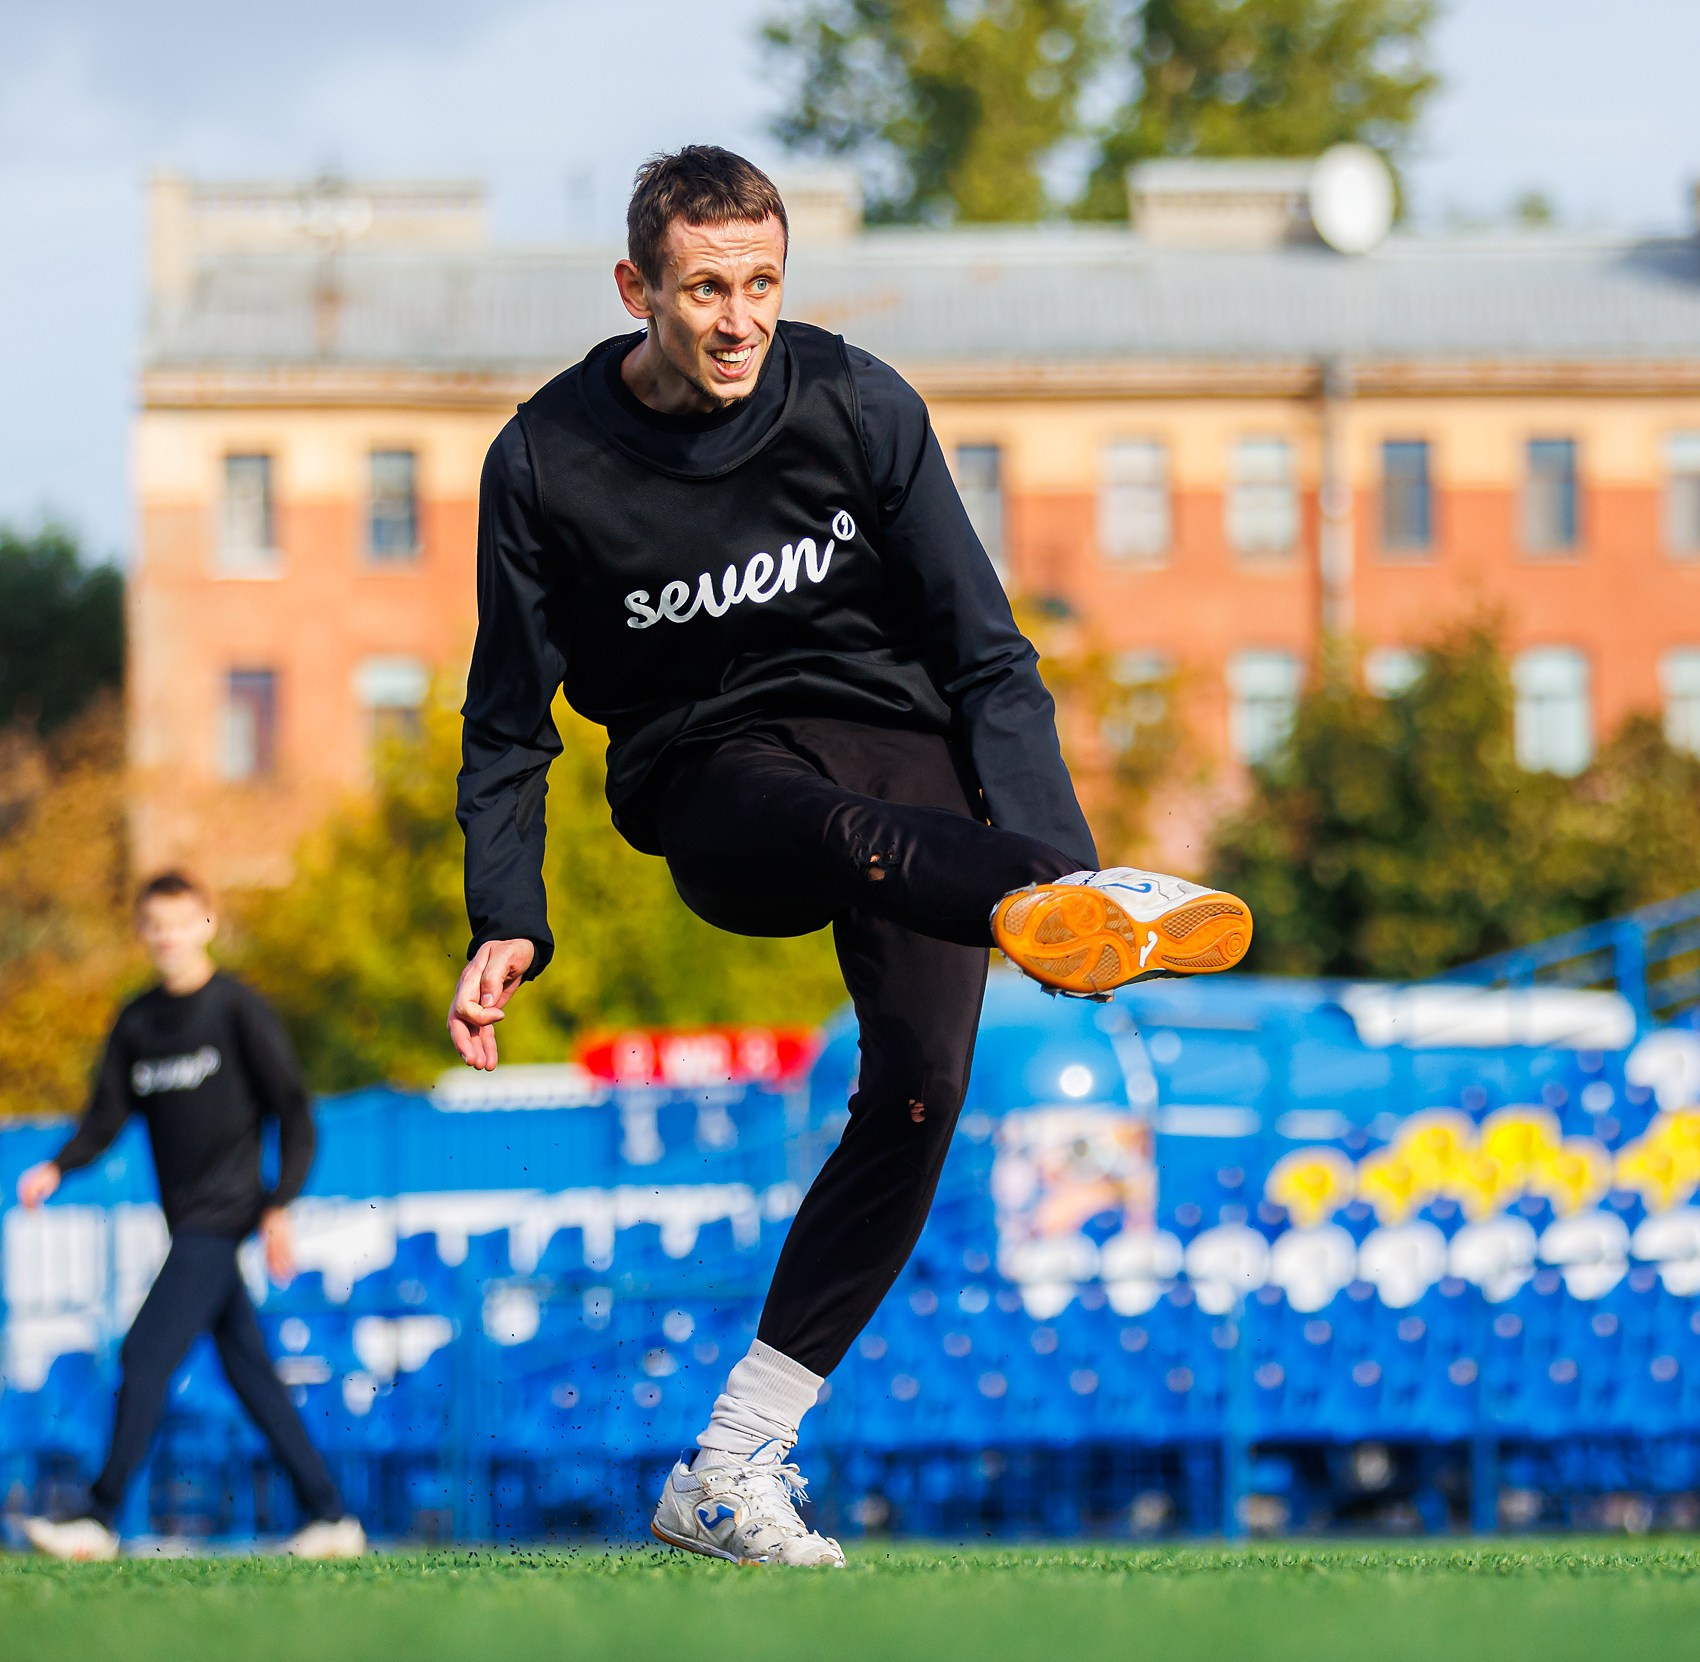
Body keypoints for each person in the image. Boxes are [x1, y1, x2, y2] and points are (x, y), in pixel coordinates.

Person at [445, 145, 1250, 1567]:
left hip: (905, 757)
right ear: (638, 288)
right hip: (712, 777)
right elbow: (509, 720)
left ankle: (733, 1462)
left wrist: (1062, 863)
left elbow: (988, 656)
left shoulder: (859, 403)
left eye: (762, 282)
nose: (738, 317)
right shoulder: (545, 462)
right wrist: (507, 911)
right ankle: (1045, 903)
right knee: (834, 825)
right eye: (704, 288)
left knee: (926, 1090)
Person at [14, 871, 365, 1562]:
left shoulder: (236, 1009)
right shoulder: (137, 1022)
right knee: (248, 1371)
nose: (168, 935)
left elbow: (295, 1113)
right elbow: (105, 1116)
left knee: (145, 1351)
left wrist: (278, 1207)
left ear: (206, 923)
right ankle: (330, 1514)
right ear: (143, 932)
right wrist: (58, 1165)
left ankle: (98, 1514)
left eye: (181, 921)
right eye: (155, 924)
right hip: (186, 1221)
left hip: (227, 1212)